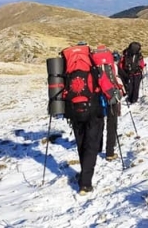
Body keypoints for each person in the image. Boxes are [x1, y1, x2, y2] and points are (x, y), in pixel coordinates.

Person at [60, 42, 115, 194]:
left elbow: (62, 91)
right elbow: (104, 83)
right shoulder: (93, 65)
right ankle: (85, 183)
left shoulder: (68, 69)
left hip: (73, 111)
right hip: (93, 110)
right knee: (91, 145)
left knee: (81, 143)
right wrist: (113, 95)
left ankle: (83, 175)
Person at [91, 44, 126, 162]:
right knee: (112, 123)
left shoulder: (93, 64)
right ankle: (110, 152)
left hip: (97, 96)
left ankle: (97, 147)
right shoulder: (112, 65)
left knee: (99, 122)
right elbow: (116, 78)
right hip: (111, 94)